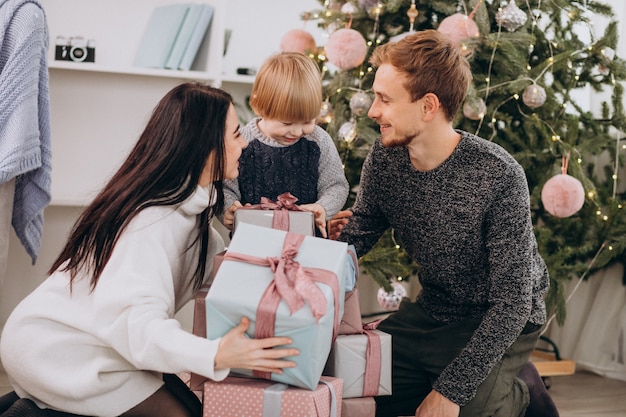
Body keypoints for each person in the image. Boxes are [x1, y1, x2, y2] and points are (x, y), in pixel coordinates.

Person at [0, 83, 299, 417]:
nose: (244, 143)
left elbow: (231, 275)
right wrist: (215, 355)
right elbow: (138, 323)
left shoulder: (192, 216)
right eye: (235, 134)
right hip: (59, 350)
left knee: (188, 405)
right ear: (206, 145)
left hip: (95, 342)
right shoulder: (154, 222)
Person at [329, 30, 558, 417]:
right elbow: (358, 234)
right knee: (347, 380)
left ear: (428, 106)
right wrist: (313, 246)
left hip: (500, 317)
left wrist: (450, 392)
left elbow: (513, 302)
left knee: (463, 409)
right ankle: (462, 375)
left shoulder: (497, 173)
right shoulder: (385, 159)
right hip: (434, 311)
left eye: (384, 99)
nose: (372, 111)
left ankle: (521, 389)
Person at [220, 51, 349, 238]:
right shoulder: (243, 141)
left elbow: (336, 185)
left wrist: (322, 207)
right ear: (259, 105)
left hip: (307, 242)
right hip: (252, 241)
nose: (297, 132)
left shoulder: (318, 141)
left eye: (307, 121)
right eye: (287, 123)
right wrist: (228, 209)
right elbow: (224, 187)